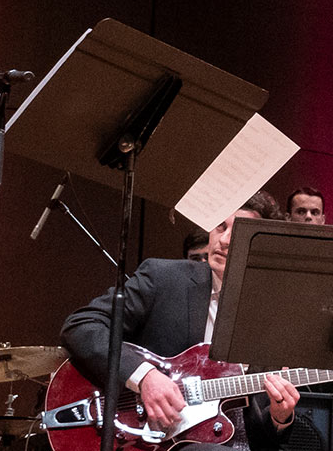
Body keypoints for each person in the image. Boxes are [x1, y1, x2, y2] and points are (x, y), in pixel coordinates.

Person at [61, 191, 301, 450]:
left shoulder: (270, 317)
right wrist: (144, 376)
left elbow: (261, 435)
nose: (224, 239)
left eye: (240, 233)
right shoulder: (164, 279)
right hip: (146, 437)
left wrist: (279, 416)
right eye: (220, 226)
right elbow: (81, 325)